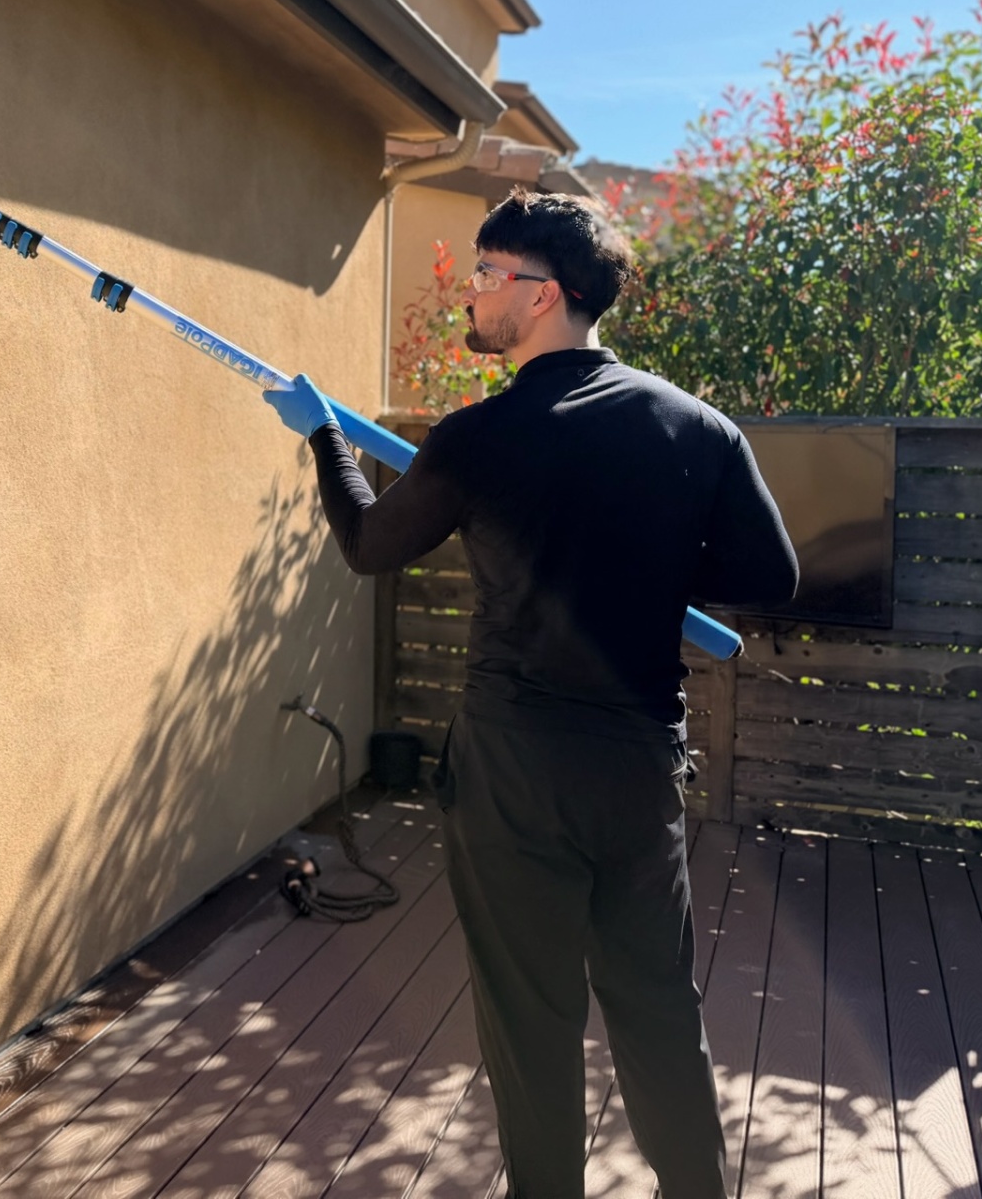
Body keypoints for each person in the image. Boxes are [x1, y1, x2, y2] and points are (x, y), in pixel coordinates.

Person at [264, 190, 798, 1199]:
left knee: (530, 1023)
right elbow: (771, 577)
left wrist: (325, 439)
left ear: (544, 295)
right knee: (657, 1014)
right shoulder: (699, 431)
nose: (468, 294)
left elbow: (373, 546)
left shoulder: (478, 439)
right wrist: (651, 561)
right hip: (637, 771)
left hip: (513, 774)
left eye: (484, 275)